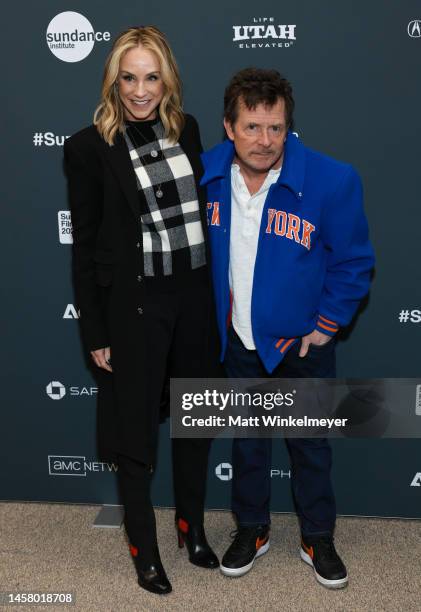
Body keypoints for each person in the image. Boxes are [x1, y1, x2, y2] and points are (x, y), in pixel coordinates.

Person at [201, 68, 375, 588]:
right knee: (248, 443)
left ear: (288, 125)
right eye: (252, 127)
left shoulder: (331, 179)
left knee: (310, 445)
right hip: (237, 340)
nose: (264, 141)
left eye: (275, 128)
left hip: (302, 346)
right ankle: (251, 529)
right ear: (229, 127)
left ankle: (317, 535)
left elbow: (353, 263)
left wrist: (324, 327)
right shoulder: (204, 174)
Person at [63, 26, 219, 596]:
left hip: (194, 297)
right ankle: (144, 548)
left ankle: (191, 528)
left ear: (167, 79)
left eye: (151, 77)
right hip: (135, 304)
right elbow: (84, 248)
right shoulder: (86, 147)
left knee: (197, 419)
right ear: (113, 80)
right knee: (135, 434)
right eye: (128, 77)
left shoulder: (189, 129)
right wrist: (95, 330)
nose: (140, 90)